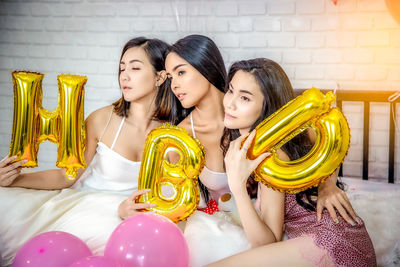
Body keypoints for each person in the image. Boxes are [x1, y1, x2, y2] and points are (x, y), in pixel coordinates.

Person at [0, 37, 171, 264]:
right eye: (122, 68)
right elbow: (66, 176)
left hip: (130, 216)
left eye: (135, 68)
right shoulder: (102, 119)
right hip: (87, 206)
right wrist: (15, 179)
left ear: (159, 77)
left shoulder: (173, 134)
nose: (125, 76)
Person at [207, 58, 376, 267]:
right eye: (231, 90)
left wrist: (238, 187)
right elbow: (330, 148)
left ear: (267, 106)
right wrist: (326, 183)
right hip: (344, 236)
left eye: (244, 98)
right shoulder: (278, 138)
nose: (230, 103)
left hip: (332, 242)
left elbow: (267, 242)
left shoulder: (271, 157)